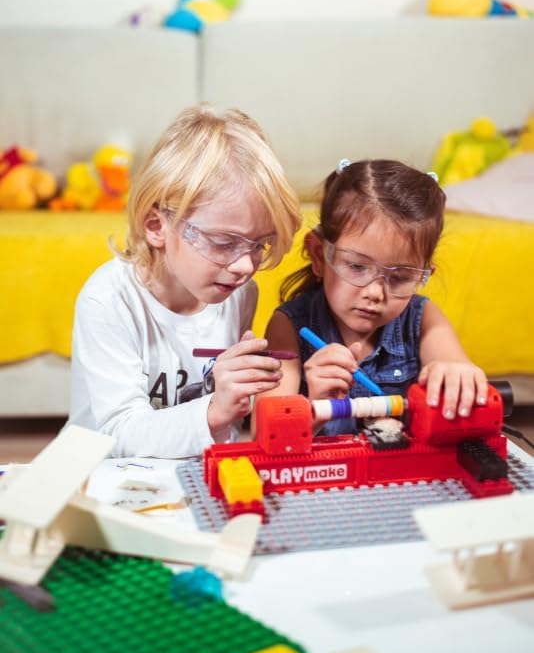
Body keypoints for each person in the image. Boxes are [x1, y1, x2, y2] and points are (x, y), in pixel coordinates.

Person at [68, 105, 301, 457]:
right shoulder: (109, 299)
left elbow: (224, 414)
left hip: (193, 472)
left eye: (260, 244)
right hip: (103, 477)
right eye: (224, 243)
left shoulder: (237, 292)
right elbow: (119, 434)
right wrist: (215, 410)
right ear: (156, 226)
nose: (244, 266)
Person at [258, 158, 487, 435]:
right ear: (318, 254)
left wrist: (457, 374)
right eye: (356, 266)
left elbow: (456, 366)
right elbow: (265, 434)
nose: (375, 293)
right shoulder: (289, 325)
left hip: (401, 474)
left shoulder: (423, 318)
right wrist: (316, 406)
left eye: (400, 277)